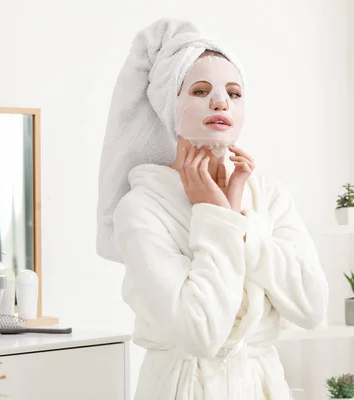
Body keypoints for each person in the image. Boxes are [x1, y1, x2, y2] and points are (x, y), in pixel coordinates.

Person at [96, 19, 329, 400]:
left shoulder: (269, 196)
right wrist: (213, 215)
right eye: (201, 90)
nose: (220, 101)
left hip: (263, 385)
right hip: (181, 387)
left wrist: (240, 224)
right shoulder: (140, 209)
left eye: (234, 93)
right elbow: (201, 332)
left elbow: (312, 307)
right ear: (171, 105)